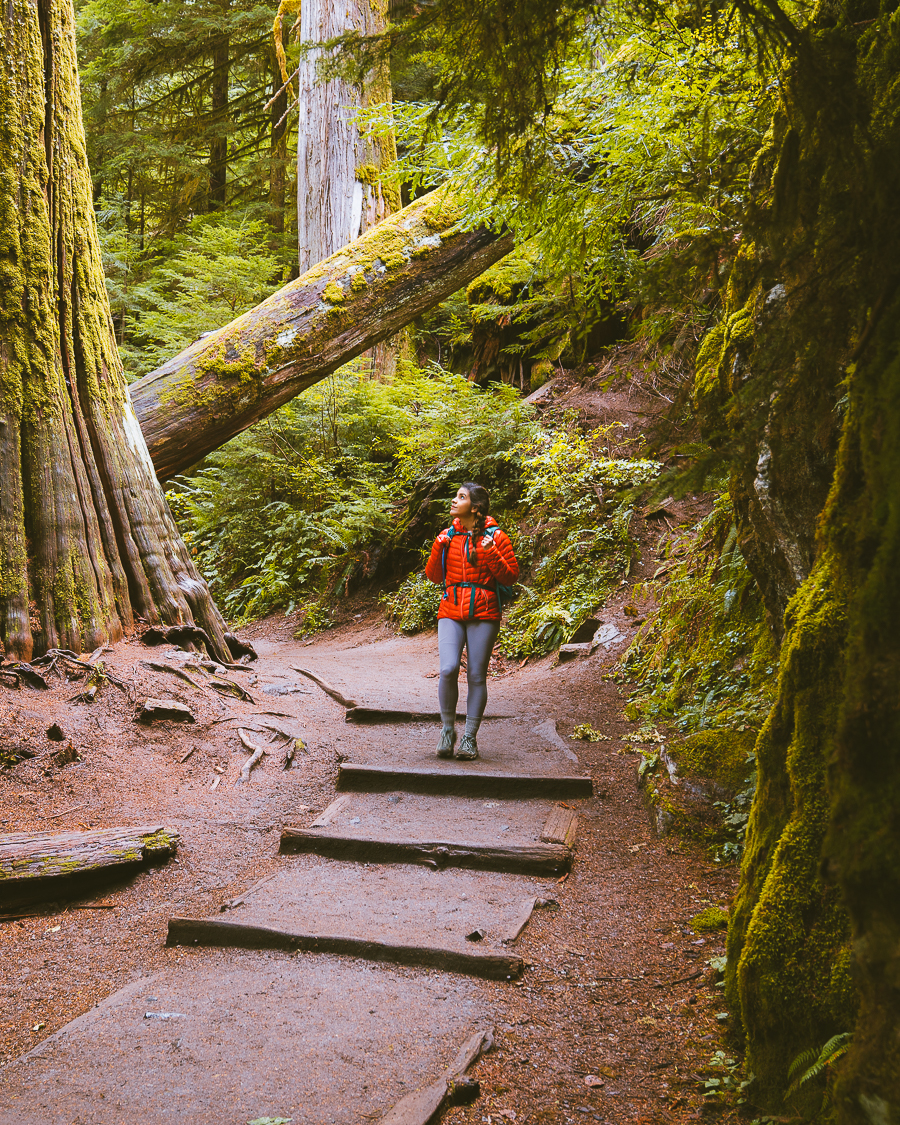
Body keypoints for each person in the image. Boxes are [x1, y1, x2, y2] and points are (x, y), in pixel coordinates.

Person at [424, 482, 519, 760]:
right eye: (456, 496)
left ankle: (469, 738)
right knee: (449, 669)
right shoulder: (447, 535)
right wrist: (437, 546)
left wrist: (491, 551)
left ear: (474, 508)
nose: (454, 501)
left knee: (477, 675)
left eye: (461, 497)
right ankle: (447, 730)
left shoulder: (496, 536)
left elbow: (510, 576)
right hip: (451, 609)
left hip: (484, 611)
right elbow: (433, 577)